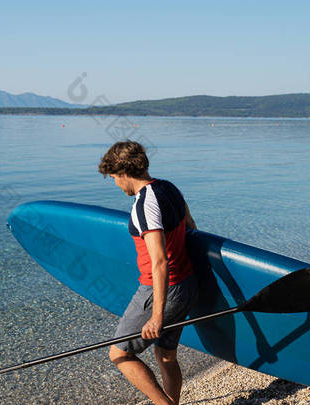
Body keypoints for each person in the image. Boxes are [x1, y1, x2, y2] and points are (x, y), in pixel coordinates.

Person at [98, 140, 198, 405]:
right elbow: (191, 227)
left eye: (114, 178)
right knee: (166, 355)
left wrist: (156, 316)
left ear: (123, 173)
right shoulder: (168, 187)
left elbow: (160, 261)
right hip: (186, 283)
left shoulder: (144, 205)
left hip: (159, 290)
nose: (116, 184)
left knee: (119, 354)